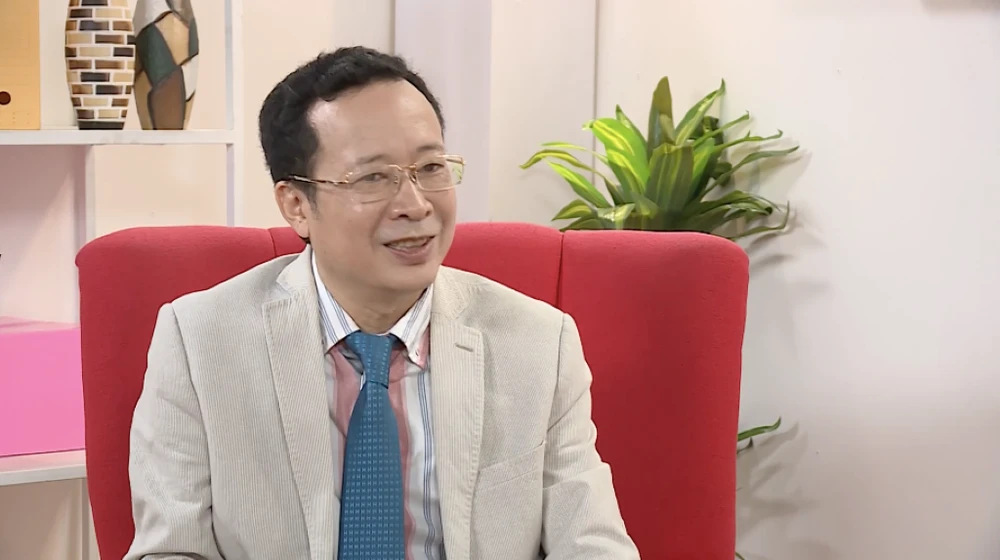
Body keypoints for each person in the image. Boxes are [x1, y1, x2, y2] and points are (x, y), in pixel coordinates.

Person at [125, 46, 640, 560]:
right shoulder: (198, 342)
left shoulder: (538, 344)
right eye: (373, 178)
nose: (415, 205)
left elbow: (593, 546)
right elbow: (171, 550)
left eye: (431, 167)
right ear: (297, 205)